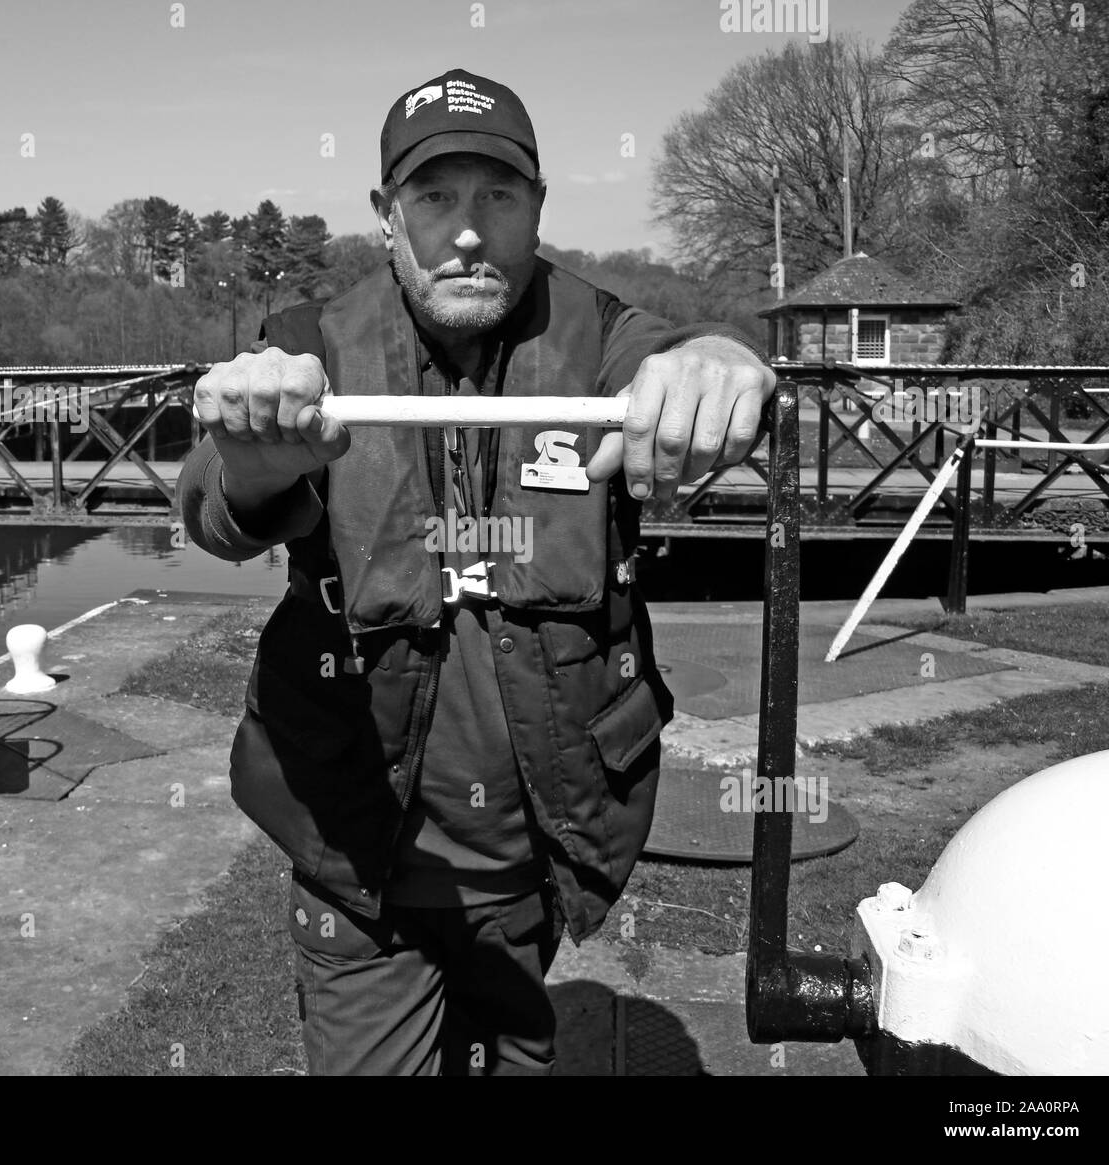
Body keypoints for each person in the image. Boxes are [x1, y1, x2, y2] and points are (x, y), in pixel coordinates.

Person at [176, 68, 776, 1076]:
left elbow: (684, 354)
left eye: (497, 196)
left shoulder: (599, 336)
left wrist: (723, 361)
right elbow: (206, 510)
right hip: (354, 857)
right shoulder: (307, 343)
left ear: (537, 209)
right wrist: (252, 458)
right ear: (386, 216)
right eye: (435, 198)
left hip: (540, 852)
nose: (466, 231)